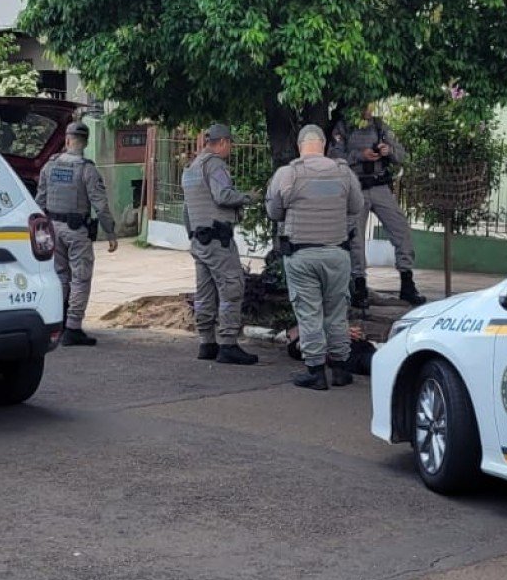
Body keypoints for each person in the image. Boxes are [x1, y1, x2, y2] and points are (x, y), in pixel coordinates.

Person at [266, 124, 365, 391]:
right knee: (336, 313)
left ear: (300, 146)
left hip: (302, 255)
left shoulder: (288, 174)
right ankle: (342, 370)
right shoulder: (344, 173)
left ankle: (316, 372)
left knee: (309, 313)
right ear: (323, 145)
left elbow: (274, 212)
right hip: (337, 254)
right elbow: (356, 206)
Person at [181, 124, 258, 366]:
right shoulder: (214, 165)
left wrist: (193, 236)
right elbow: (223, 195)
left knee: (204, 293)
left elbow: (186, 211)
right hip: (218, 240)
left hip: (198, 240)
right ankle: (228, 344)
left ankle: (206, 342)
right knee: (231, 287)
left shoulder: (191, 169)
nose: (231, 150)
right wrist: (248, 197)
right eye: (231, 145)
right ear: (222, 142)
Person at [34, 121, 117, 345]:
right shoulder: (87, 169)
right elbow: (100, 205)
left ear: (67, 140)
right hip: (76, 230)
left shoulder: (49, 166)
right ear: (86, 143)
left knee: (60, 275)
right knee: (81, 277)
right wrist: (110, 232)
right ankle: (73, 328)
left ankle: (57, 323)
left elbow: (39, 202)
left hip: (52, 228)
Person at [343, 103, 425, 309]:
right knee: (356, 239)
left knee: (401, 231)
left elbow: (401, 156)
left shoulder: (380, 127)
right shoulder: (343, 127)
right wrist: (360, 155)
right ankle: (359, 287)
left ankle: (407, 283)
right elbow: (334, 158)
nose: (368, 108)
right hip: (356, 187)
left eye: (370, 103)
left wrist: (388, 151)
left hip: (380, 186)